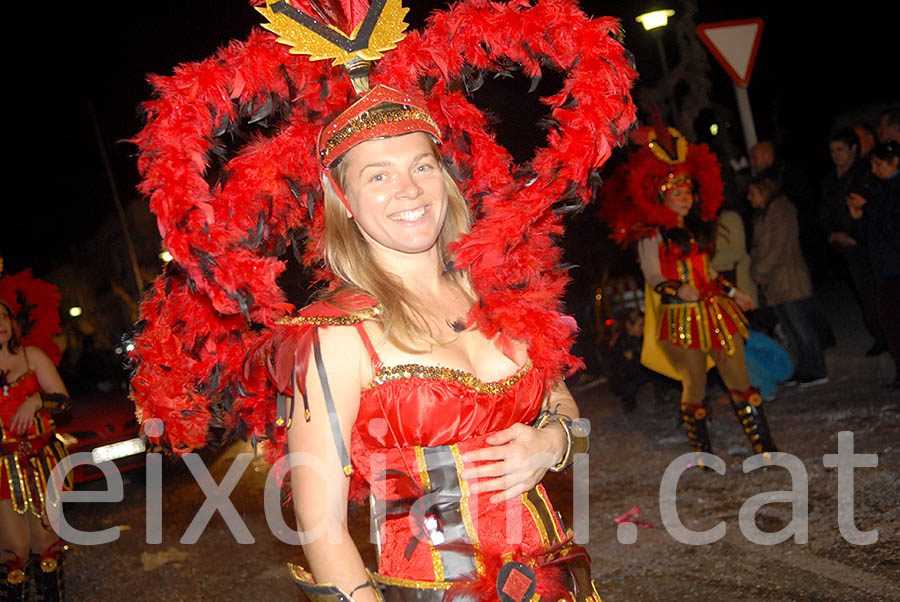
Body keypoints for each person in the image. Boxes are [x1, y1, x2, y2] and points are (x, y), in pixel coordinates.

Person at [127, 1, 636, 599]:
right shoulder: (335, 335)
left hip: (560, 584)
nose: (409, 189)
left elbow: (562, 404)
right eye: (378, 175)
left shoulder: (499, 289)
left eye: (422, 165)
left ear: (444, 179)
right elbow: (322, 532)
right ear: (343, 202)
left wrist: (550, 444)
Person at [599, 126, 778, 459]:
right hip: (679, 319)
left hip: (715, 311)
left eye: (687, 192)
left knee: (739, 376)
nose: (684, 199)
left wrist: (735, 293)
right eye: (676, 193)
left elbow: (708, 272)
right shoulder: (651, 235)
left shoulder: (696, 230)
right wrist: (679, 289)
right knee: (694, 381)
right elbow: (653, 276)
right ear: (662, 197)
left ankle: (765, 447)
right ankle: (703, 453)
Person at [0, 268, 71, 601]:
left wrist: (37, 399)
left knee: (47, 543)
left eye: (3, 315)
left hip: (40, 462)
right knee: (16, 548)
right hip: (2, 470)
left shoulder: (33, 356)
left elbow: (63, 400)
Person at [748, 172, 830, 387]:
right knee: (790, 329)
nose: (749, 197)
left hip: (788, 278)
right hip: (774, 282)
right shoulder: (762, 215)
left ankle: (817, 369)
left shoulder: (781, 210)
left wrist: (761, 270)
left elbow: (779, 246)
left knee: (801, 326)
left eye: (752, 192)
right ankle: (804, 369)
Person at [819, 128, 886, 356]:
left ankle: (887, 333)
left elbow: (870, 207)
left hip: (866, 242)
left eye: (840, 150)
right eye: (832, 151)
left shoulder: (864, 173)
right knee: (864, 292)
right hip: (845, 246)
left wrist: (855, 235)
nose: (835, 155)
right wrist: (832, 234)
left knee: (880, 290)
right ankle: (879, 334)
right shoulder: (830, 181)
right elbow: (824, 213)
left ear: (853, 150)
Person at [847, 141, 900, 389]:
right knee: (890, 325)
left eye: (879, 164)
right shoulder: (877, 188)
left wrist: (867, 208)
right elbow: (869, 234)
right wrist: (859, 218)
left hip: (895, 267)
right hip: (883, 269)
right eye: (873, 164)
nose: (874, 169)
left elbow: (893, 225)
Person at [607, 308, 677, 413]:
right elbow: (623, 369)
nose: (643, 328)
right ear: (629, 325)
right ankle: (629, 402)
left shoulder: (637, 338)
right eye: (640, 325)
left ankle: (660, 395)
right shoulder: (622, 342)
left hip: (634, 373)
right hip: (624, 379)